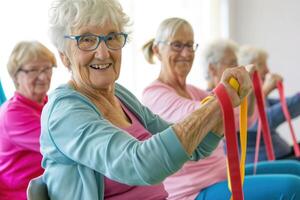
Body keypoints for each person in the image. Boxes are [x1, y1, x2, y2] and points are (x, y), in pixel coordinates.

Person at [39, 0, 253, 200]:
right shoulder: (64, 112)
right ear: (64, 55)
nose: (103, 53)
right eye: (86, 39)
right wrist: (217, 104)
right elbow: (141, 164)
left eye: (112, 37)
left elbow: (196, 148)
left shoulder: (119, 95)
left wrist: (224, 101)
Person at [142, 18, 300, 200]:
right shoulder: (154, 94)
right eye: (177, 45)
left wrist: (248, 88)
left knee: (294, 169)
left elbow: (244, 121)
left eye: (190, 45)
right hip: (192, 192)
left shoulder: (194, 91)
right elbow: (205, 115)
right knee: (292, 186)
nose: (185, 53)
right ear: (157, 50)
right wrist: (235, 91)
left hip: (221, 177)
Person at [0, 41, 56, 200]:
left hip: (48, 190)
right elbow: (60, 144)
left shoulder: (48, 103)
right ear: (15, 76)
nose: (44, 76)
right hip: (21, 195)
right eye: (33, 70)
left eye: (47, 68)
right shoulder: (13, 114)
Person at [238, 45, 300, 162]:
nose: (267, 70)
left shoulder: (261, 97)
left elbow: (289, 106)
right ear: (246, 69)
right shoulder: (239, 100)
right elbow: (268, 118)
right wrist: (264, 90)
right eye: (261, 64)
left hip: (283, 154)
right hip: (266, 163)